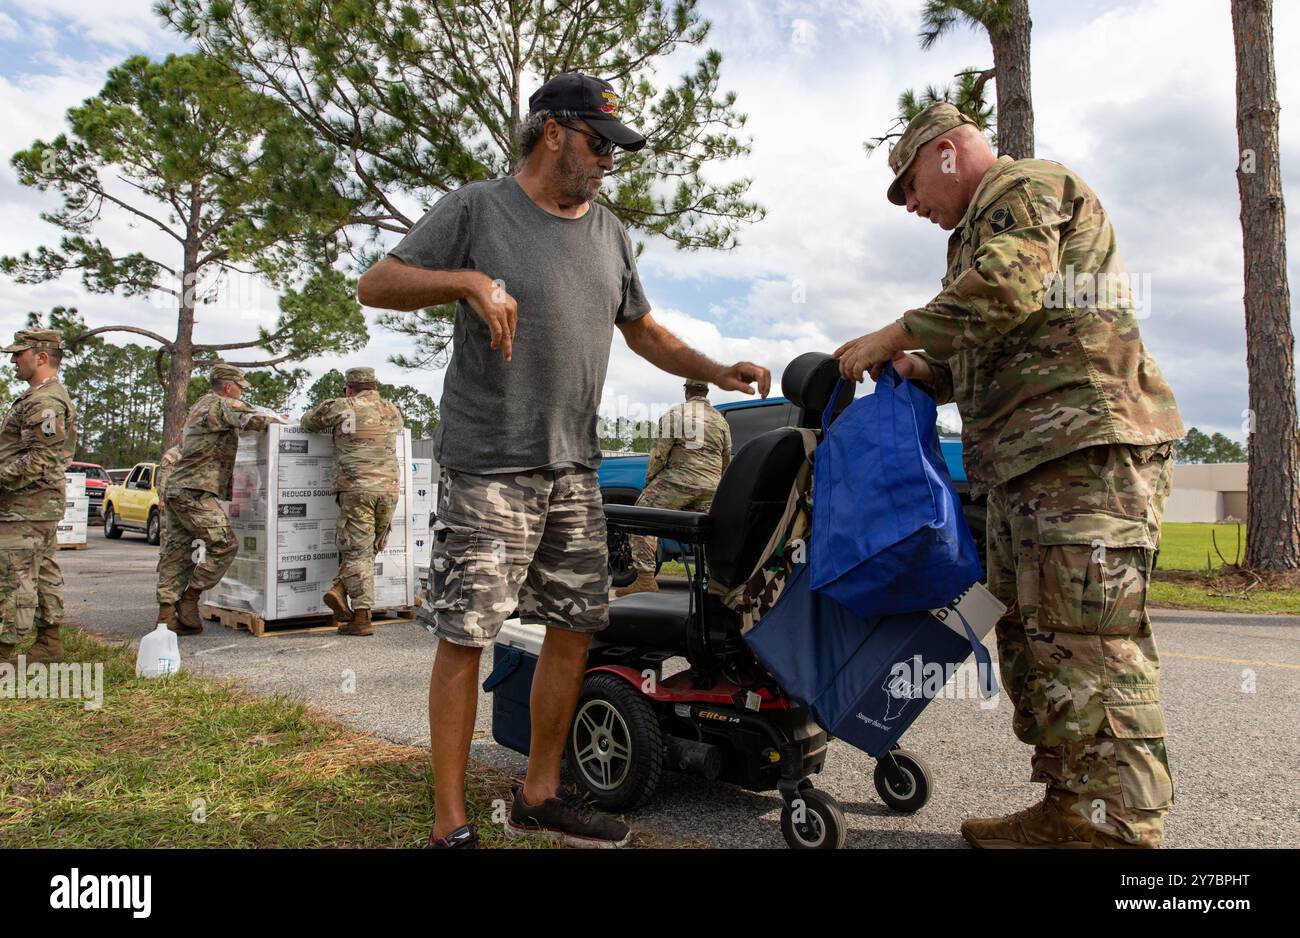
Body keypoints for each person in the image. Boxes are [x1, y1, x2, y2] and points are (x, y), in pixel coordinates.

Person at [358, 72, 771, 849]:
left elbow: (641, 329)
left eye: (614, 150)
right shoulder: (480, 207)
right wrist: (469, 281)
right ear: (553, 132)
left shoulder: (608, 231)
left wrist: (717, 372)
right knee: (467, 632)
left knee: (577, 626)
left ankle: (540, 792)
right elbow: (375, 284)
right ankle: (450, 825)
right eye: (597, 144)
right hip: (489, 465)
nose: (607, 162)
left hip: (573, 469)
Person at [834, 103, 1184, 849]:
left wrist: (894, 332)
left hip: (1083, 457)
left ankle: (1118, 831)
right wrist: (918, 369)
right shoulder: (971, 238)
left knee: (1089, 643)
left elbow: (1011, 286)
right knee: (1033, 641)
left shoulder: (1021, 187)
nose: (914, 205)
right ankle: (1070, 808)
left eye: (911, 184)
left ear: (950, 151)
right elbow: (985, 351)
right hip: (1024, 470)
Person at [156, 363, 278, 635]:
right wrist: (283, 421)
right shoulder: (219, 404)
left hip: (181, 490)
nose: (240, 393)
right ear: (227, 386)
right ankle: (190, 598)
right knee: (224, 545)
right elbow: (255, 418)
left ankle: (166, 617)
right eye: (239, 388)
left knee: (177, 553)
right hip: (193, 492)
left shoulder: (203, 406)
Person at [300, 367, 404, 636]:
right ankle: (339, 588)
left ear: (349, 388)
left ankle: (360, 617)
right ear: (374, 385)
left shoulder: (342, 406)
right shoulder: (392, 410)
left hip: (357, 490)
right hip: (389, 489)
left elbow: (308, 422)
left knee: (357, 551)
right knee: (370, 547)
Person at [0, 329, 77, 665]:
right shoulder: (38, 397)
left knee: (14, 578)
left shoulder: (45, 401)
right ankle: (48, 644)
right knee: (42, 571)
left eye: (19, 353)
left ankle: (3, 649)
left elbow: (41, 459)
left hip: (26, 506)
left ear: (41, 357)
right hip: (33, 504)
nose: (13, 359)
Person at [614, 379, 732, 597]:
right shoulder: (720, 420)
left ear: (686, 391)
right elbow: (725, 460)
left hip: (678, 481)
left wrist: (650, 480)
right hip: (712, 485)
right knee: (707, 535)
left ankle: (645, 580)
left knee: (640, 519)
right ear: (706, 391)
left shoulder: (677, 414)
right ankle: (714, 583)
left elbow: (659, 454)